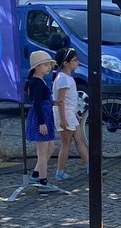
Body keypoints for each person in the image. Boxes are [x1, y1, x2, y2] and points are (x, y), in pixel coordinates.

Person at [53, 48, 88, 180]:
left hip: (69, 114)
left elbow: (67, 100)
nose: (77, 62)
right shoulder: (63, 79)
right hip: (65, 115)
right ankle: (59, 172)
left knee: (80, 140)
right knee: (66, 143)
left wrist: (74, 114)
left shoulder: (66, 78)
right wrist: (63, 119)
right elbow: (60, 101)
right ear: (65, 63)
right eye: (74, 60)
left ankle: (89, 166)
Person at [26, 50, 56, 186]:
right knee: (42, 152)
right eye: (45, 65)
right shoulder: (37, 83)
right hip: (41, 118)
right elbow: (37, 103)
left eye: (49, 65)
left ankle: (35, 175)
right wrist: (41, 123)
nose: (48, 67)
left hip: (45, 115)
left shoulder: (39, 81)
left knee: (50, 148)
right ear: (37, 67)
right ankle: (43, 182)